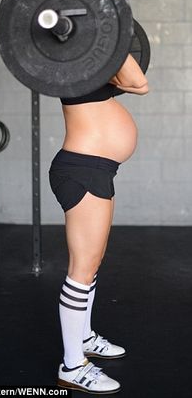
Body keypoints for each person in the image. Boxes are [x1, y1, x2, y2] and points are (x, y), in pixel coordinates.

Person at [49, 53, 149, 394]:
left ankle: (86, 336)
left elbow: (132, 83)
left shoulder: (86, 62)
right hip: (83, 168)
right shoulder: (73, 60)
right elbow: (138, 82)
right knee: (82, 269)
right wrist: (114, 38)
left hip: (96, 167)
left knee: (92, 264)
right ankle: (73, 365)